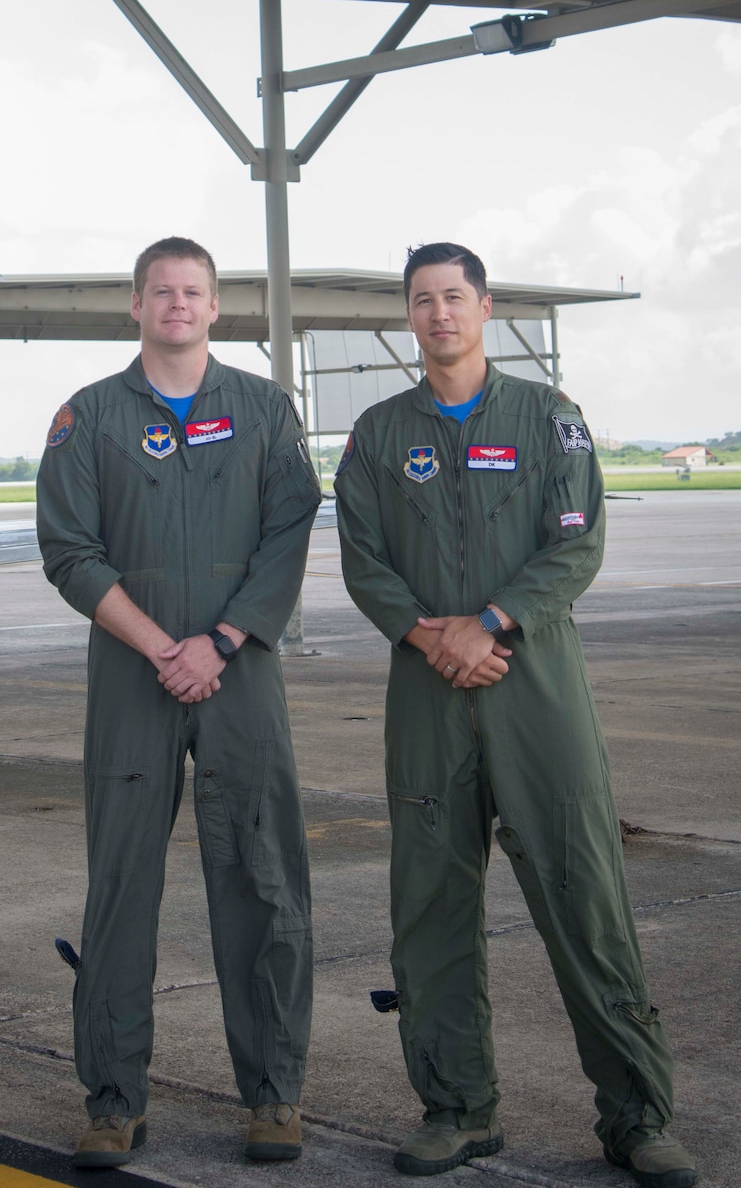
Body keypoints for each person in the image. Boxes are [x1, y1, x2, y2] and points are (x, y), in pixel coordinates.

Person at [334, 242, 697, 1188]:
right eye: (422, 300)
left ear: (486, 307)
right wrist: (432, 638)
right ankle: (456, 1108)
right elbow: (363, 561)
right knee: (430, 906)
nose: (439, 314)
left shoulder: (549, 418)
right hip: (426, 696)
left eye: (455, 296)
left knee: (586, 900)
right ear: (407, 317)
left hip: (534, 683)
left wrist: (490, 623)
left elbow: (575, 547)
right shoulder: (376, 435)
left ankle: (636, 1116)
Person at [37, 237, 322, 1170]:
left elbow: (290, 528)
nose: (177, 305)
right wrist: (166, 647)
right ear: (135, 306)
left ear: (214, 308)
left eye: (193, 291)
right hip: (134, 676)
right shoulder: (89, 418)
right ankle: (114, 1101)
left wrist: (224, 642)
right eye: (161, 291)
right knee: (122, 887)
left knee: (262, 878)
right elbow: (71, 554)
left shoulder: (264, 409)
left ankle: (274, 1095)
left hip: (241, 671)